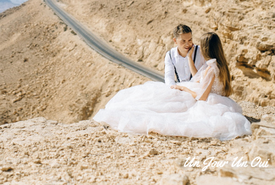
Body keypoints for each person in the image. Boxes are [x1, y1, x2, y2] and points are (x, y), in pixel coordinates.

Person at [93, 32, 251, 141]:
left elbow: (202, 96)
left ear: (206, 48)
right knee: (166, 96)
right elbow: (199, 78)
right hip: (210, 95)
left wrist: (185, 89)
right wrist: (190, 59)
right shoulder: (218, 65)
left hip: (205, 99)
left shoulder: (211, 68)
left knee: (165, 104)